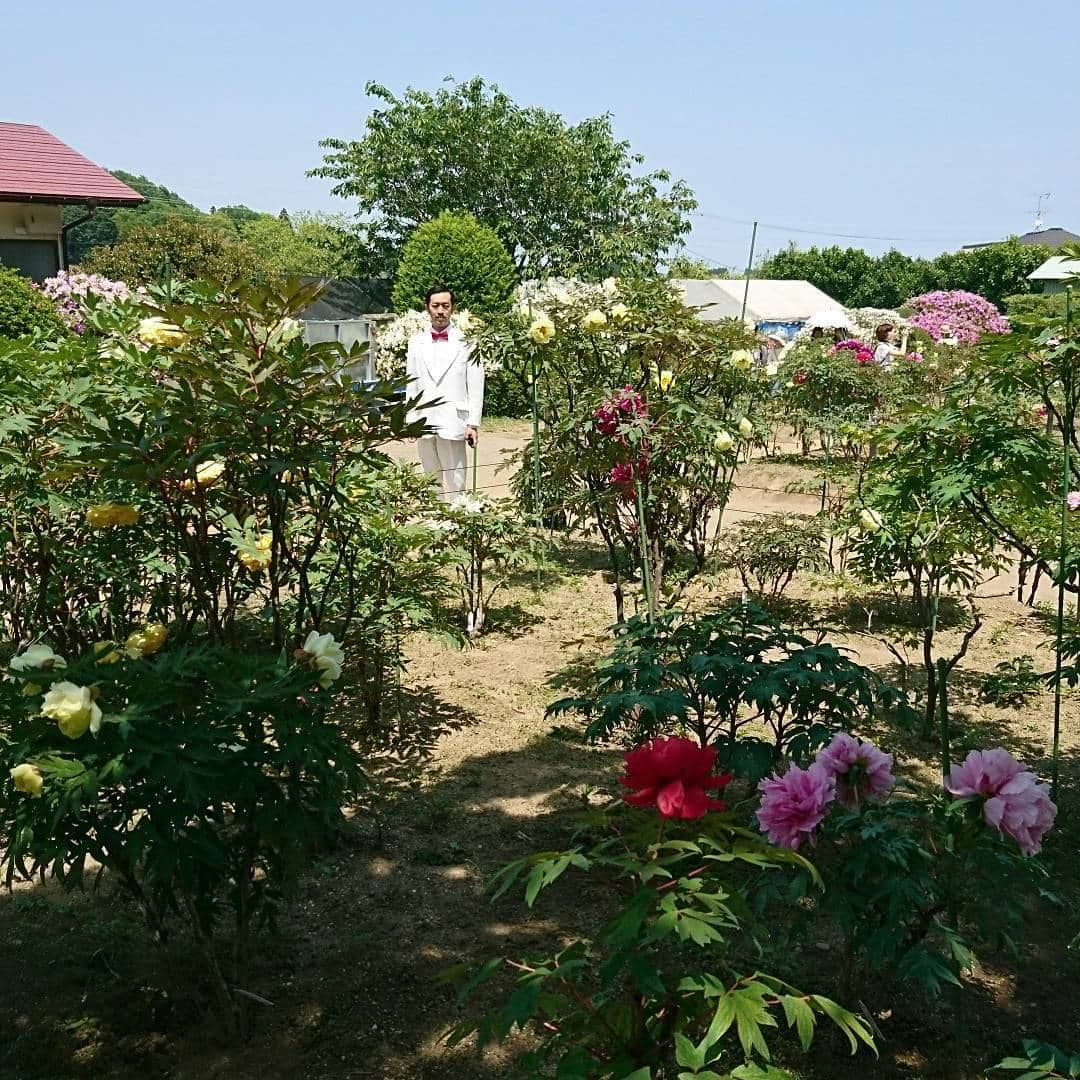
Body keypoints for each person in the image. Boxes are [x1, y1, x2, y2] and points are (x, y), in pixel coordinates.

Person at [405, 285, 485, 501]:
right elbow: (411, 383)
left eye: (445, 306)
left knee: (457, 479)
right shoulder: (415, 342)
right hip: (424, 420)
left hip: (454, 420)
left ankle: (458, 521)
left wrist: (473, 423)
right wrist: (410, 419)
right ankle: (434, 522)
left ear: (453, 308)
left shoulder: (468, 341)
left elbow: (476, 385)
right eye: (435, 306)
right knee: (430, 478)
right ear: (427, 308)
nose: (440, 311)